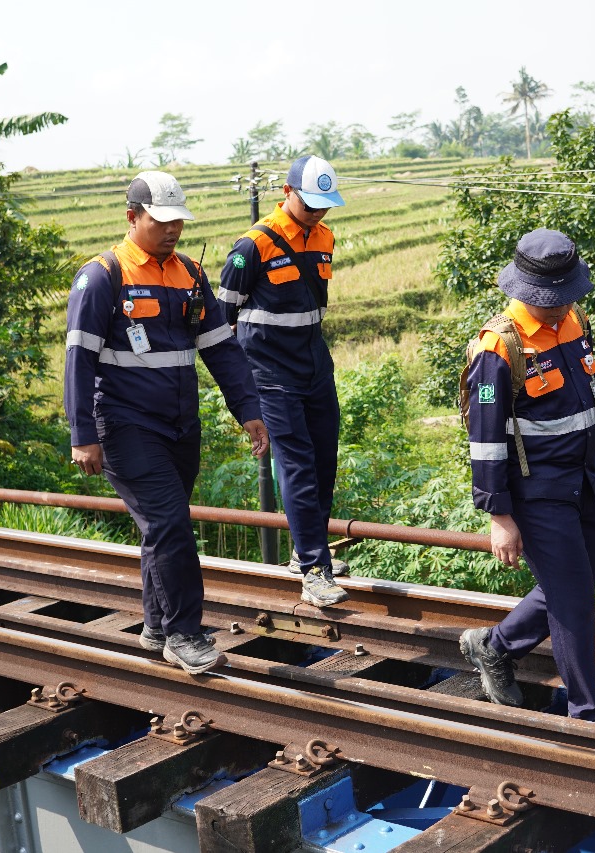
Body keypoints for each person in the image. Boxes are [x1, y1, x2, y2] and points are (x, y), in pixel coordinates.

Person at [65, 170, 269, 674]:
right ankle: (184, 633)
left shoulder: (190, 275)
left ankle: (157, 626)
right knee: (170, 523)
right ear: (132, 217)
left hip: (180, 426)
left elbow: (220, 349)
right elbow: (78, 360)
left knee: (162, 528)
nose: (172, 229)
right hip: (124, 424)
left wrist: (248, 410)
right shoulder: (103, 277)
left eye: (177, 220)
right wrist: (82, 435)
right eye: (161, 221)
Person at [459, 228, 595, 724]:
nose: (559, 307)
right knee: (573, 601)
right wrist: (499, 516)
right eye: (549, 300)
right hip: (537, 492)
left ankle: (495, 645)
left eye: (565, 296)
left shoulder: (575, 322)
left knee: (575, 583)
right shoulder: (498, 348)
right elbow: (485, 440)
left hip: (586, 479)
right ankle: (589, 712)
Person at [219, 155, 350, 608]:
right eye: (309, 203)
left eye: (324, 205)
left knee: (325, 460)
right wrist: (242, 391)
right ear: (287, 193)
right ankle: (315, 569)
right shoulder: (253, 246)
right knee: (296, 464)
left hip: (314, 364)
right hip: (270, 371)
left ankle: (305, 549)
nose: (317, 212)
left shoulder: (325, 237)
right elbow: (222, 318)